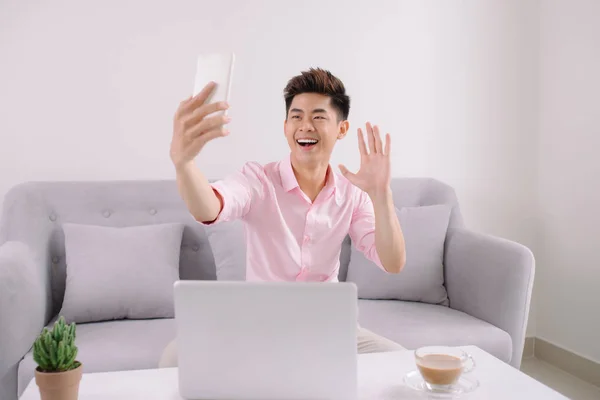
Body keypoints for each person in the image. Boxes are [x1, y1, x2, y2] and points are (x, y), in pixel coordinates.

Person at [159, 68, 407, 367]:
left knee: (399, 362)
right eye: (296, 116)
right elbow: (209, 208)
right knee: (176, 355)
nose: (305, 126)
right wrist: (184, 162)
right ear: (286, 125)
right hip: (259, 328)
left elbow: (393, 262)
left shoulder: (352, 195)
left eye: (318, 117)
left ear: (341, 129)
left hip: (331, 329)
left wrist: (382, 195)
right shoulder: (258, 180)